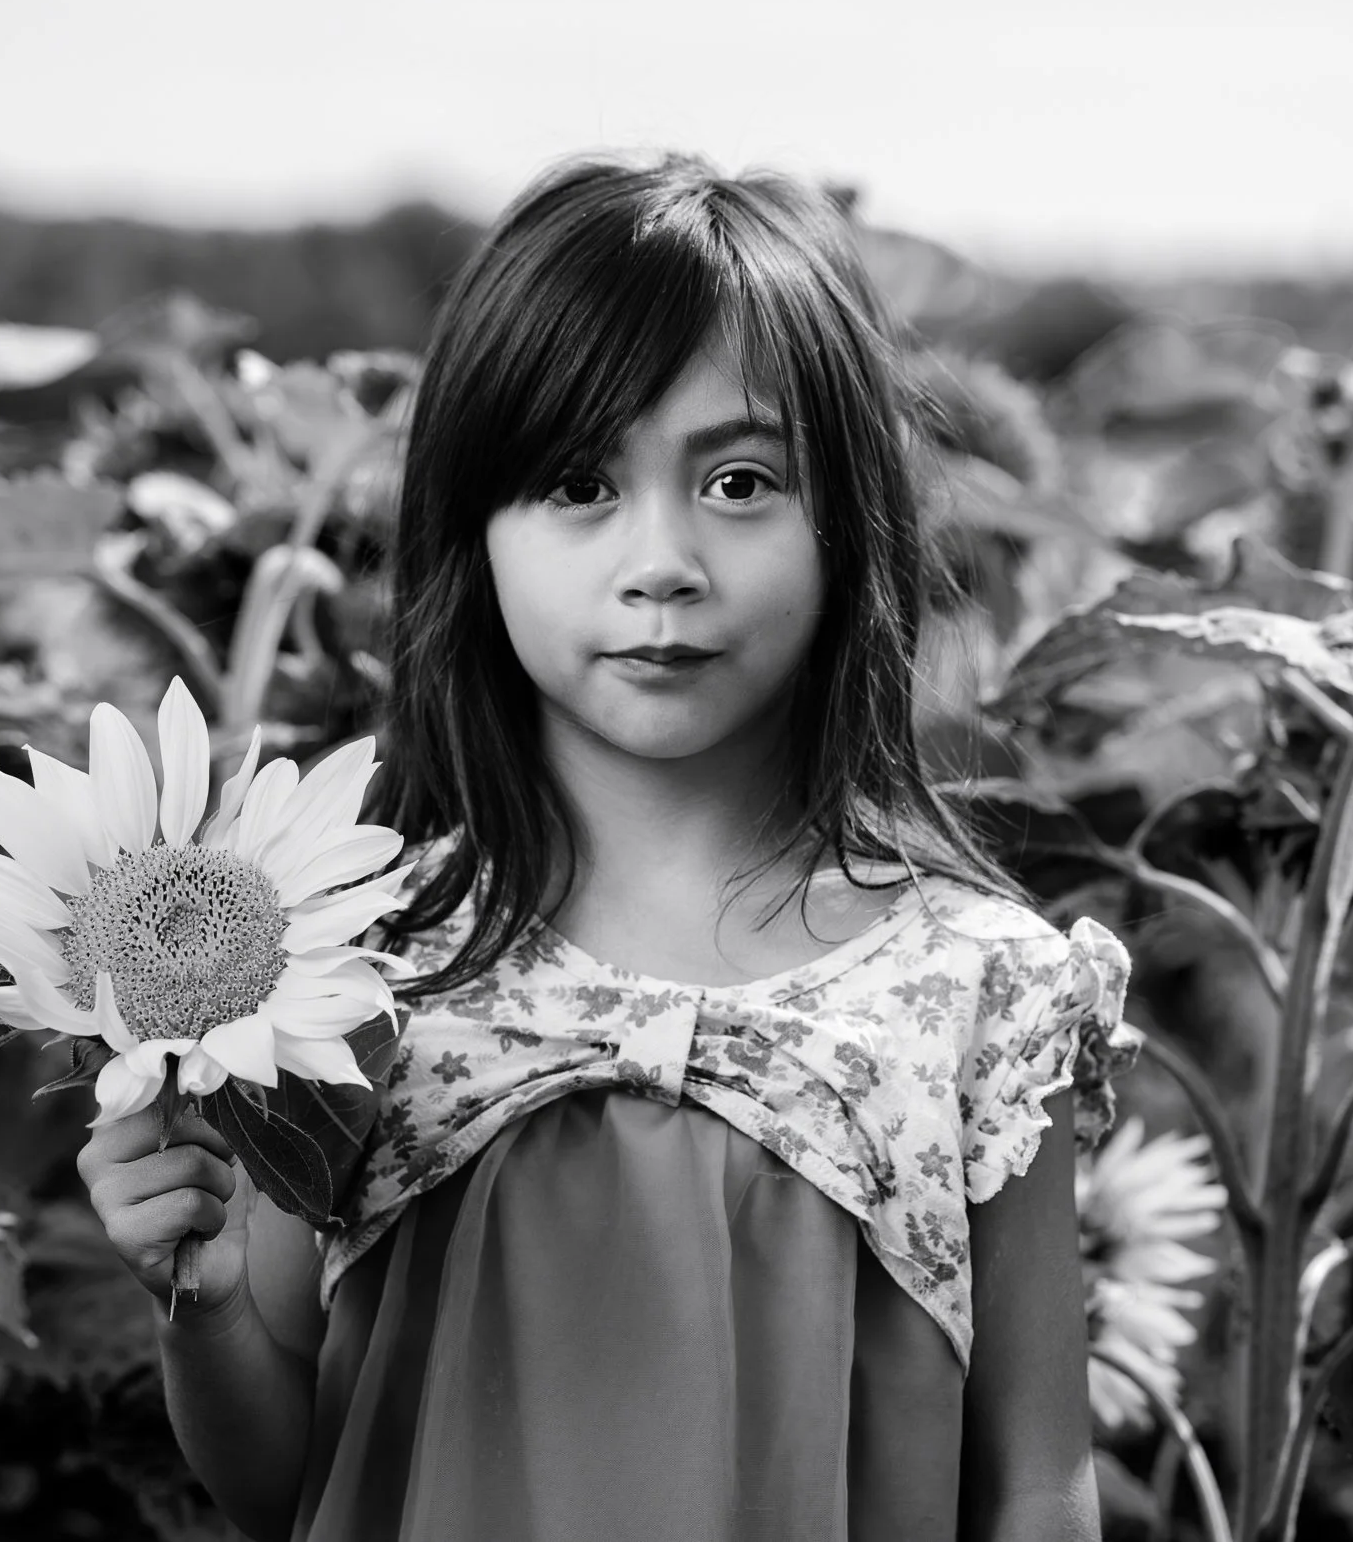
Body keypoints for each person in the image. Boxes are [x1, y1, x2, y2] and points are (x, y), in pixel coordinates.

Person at [79, 154, 1131, 1540]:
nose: (663, 561)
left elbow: (1038, 1486)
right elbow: (292, 1477)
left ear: (850, 528)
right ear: (476, 533)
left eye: (742, 480)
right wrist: (202, 1299)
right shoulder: (353, 953)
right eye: (579, 481)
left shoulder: (976, 988)